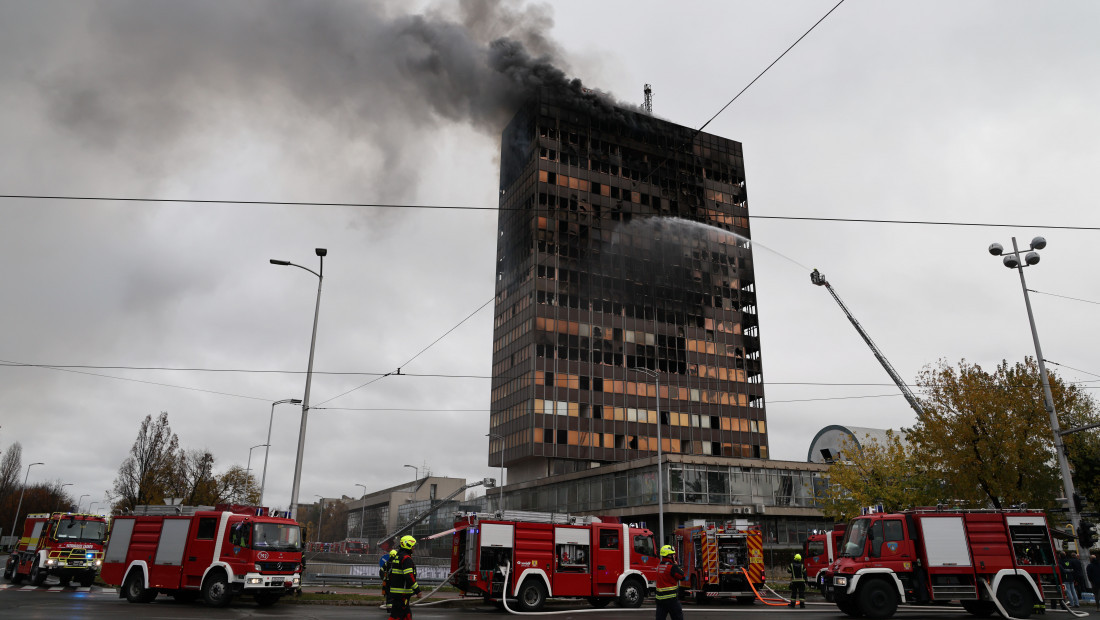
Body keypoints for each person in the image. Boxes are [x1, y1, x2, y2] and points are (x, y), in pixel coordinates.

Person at [388, 535, 422, 620]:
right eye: (413, 545)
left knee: (406, 616)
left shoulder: (398, 557)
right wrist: (417, 590)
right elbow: (409, 576)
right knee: (397, 616)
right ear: (408, 545)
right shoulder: (406, 559)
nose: (414, 548)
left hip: (398, 593)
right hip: (402, 594)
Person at [655, 545, 685, 620]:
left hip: (660, 600)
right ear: (669, 555)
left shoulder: (659, 566)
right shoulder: (672, 567)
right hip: (671, 600)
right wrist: (676, 566)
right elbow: (682, 576)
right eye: (673, 554)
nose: (674, 556)